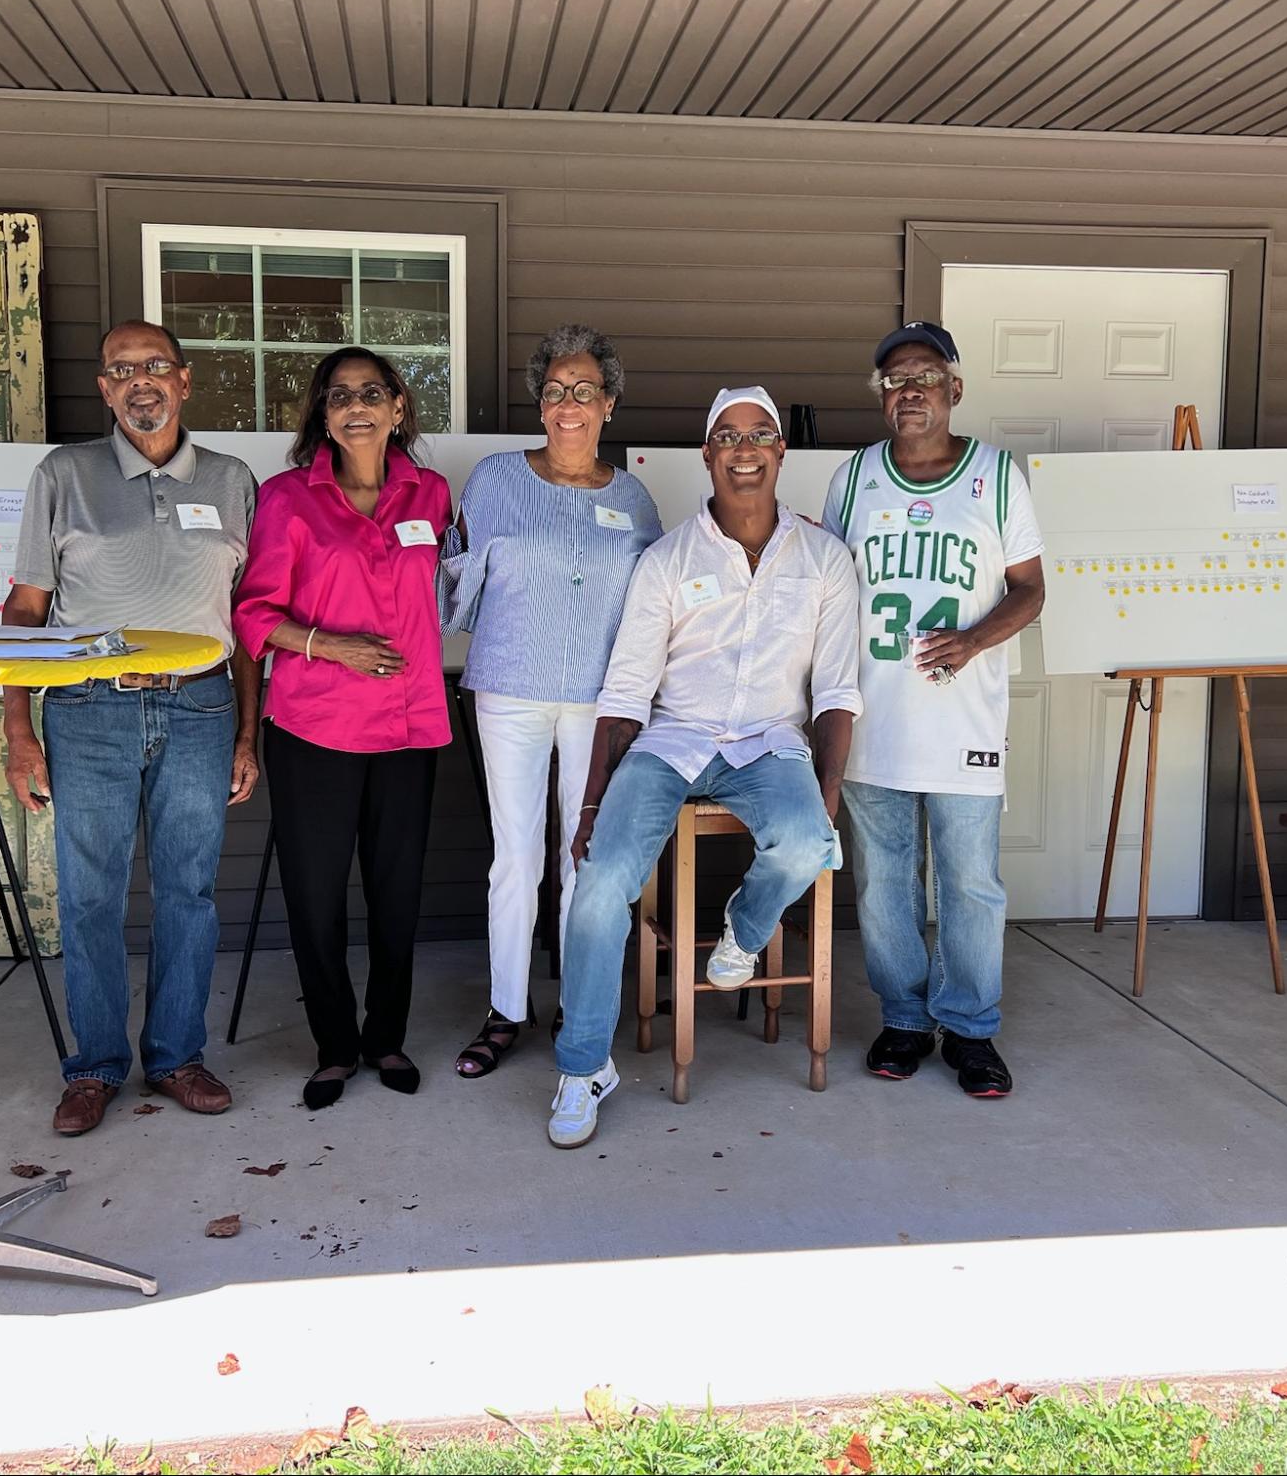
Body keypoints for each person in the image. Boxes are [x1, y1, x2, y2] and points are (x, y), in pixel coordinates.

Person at [548, 387, 862, 1148]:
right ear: (707, 454)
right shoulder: (667, 559)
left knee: (807, 841)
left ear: (780, 451)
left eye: (758, 435)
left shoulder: (824, 558)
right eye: (727, 436)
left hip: (769, 742)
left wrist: (825, 797)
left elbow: (836, 690)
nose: (743, 450)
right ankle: (583, 1067)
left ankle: (742, 932)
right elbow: (627, 691)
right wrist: (590, 807)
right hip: (673, 741)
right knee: (599, 883)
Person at [3, 318, 261, 1137]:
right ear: (104, 388)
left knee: (188, 892)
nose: (138, 381)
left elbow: (246, 619)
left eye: (154, 366)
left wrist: (248, 734)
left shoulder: (230, 479)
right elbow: (25, 610)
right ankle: (95, 1067)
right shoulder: (64, 473)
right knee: (90, 896)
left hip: (200, 708)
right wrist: (18, 730)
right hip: (88, 710)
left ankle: (178, 1055)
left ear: (184, 381)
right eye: (120, 370)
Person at [821, 321, 1046, 1099]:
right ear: (881, 397)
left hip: (963, 722)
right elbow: (827, 594)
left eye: (923, 376)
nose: (908, 390)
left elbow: (1030, 589)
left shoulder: (997, 475)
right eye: (893, 380)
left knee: (969, 883)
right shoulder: (852, 478)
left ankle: (971, 1029)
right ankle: (905, 1020)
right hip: (873, 721)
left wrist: (973, 639)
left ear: (954, 388)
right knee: (884, 884)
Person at [233, 348, 453, 1111]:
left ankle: (385, 1036)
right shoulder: (287, 498)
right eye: (338, 396)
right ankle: (333, 1046)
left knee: (396, 895)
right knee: (316, 895)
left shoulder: (432, 494)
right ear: (322, 417)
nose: (355, 406)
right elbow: (253, 613)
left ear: (398, 407)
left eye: (370, 392)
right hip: (315, 727)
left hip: (409, 726)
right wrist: (332, 645)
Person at [440, 325, 662, 1078]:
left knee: (585, 855)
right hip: (509, 686)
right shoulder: (495, 478)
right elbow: (456, 579)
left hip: (601, 700)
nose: (570, 404)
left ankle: (579, 1001)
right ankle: (506, 1009)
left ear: (608, 404)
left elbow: (654, 605)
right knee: (515, 856)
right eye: (556, 391)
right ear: (541, 404)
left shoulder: (633, 498)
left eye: (584, 390)